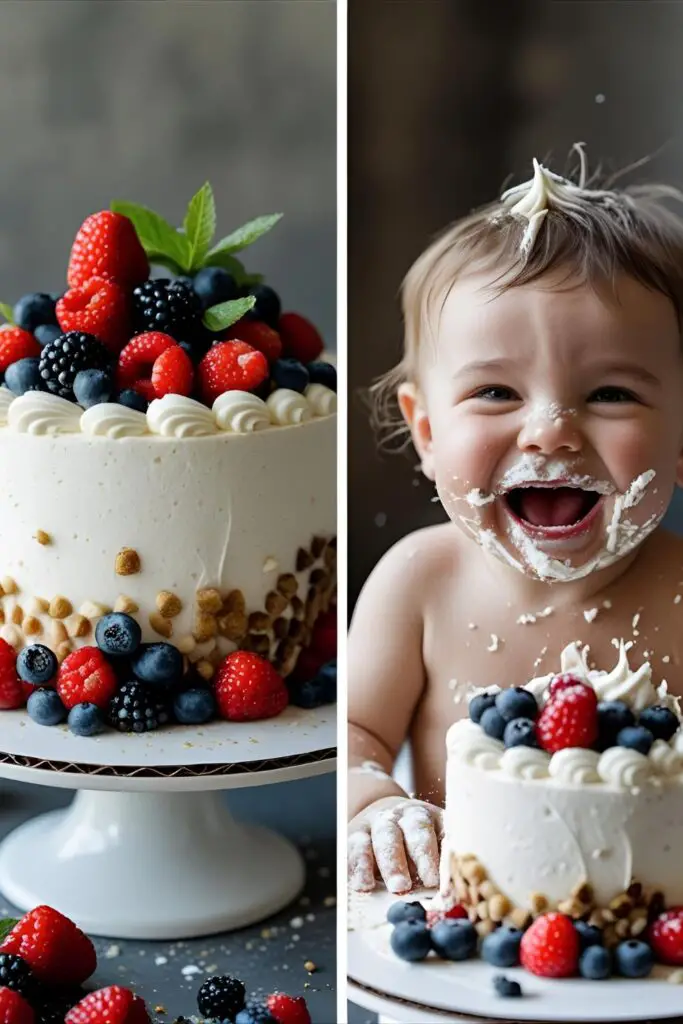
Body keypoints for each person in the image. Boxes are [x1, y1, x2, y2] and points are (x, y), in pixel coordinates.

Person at [347, 150, 683, 896]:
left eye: (609, 393)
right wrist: (371, 804)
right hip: (454, 938)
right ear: (427, 433)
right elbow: (354, 736)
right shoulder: (419, 582)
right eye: (496, 391)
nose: (550, 431)